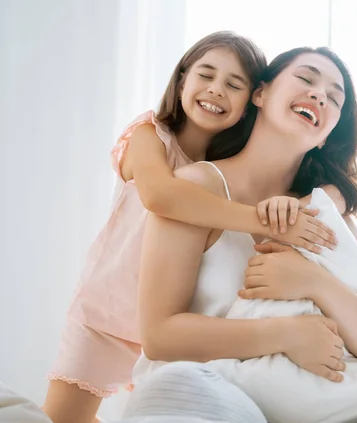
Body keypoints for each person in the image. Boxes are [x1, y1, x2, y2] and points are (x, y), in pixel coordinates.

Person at [131, 46, 357, 423]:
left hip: (327, 409)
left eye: (334, 98)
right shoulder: (194, 190)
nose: (319, 94)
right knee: (177, 383)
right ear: (261, 94)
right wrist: (286, 334)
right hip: (225, 397)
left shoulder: (329, 212)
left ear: (326, 135)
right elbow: (159, 336)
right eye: (305, 79)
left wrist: (313, 281)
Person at [42, 32, 336, 423]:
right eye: (206, 75)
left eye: (234, 85)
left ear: (252, 102)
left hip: (174, 315)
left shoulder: (227, 167)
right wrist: (260, 220)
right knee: (64, 417)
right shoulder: (149, 136)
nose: (216, 91)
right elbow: (162, 197)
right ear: (182, 80)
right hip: (107, 311)